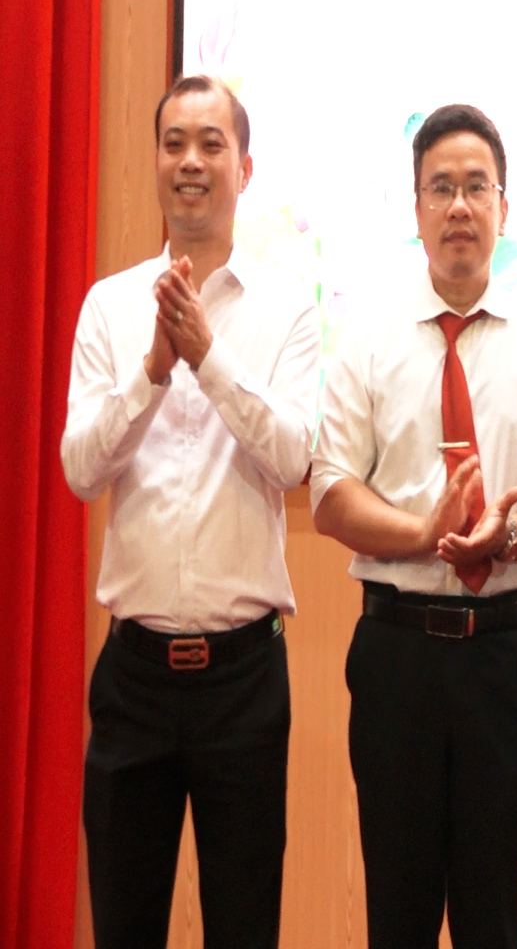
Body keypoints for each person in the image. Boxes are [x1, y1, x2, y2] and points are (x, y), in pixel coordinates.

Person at [309, 104, 517, 949]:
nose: (459, 206)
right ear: (417, 208)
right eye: (441, 188)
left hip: (500, 658)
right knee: (397, 915)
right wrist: (422, 533)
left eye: (476, 187)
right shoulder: (367, 338)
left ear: (504, 206)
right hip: (396, 657)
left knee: (491, 919)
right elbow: (329, 492)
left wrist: (505, 538)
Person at [61, 74, 320, 948]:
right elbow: (80, 470)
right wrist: (151, 371)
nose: (191, 162)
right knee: (124, 925)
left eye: (212, 144)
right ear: (155, 163)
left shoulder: (287, 309)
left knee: (243, 927)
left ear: (245, 169)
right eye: (174, 143)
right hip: (132, 677)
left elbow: (293, 458)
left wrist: (208, 358)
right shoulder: (109, 305)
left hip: (244, 681)